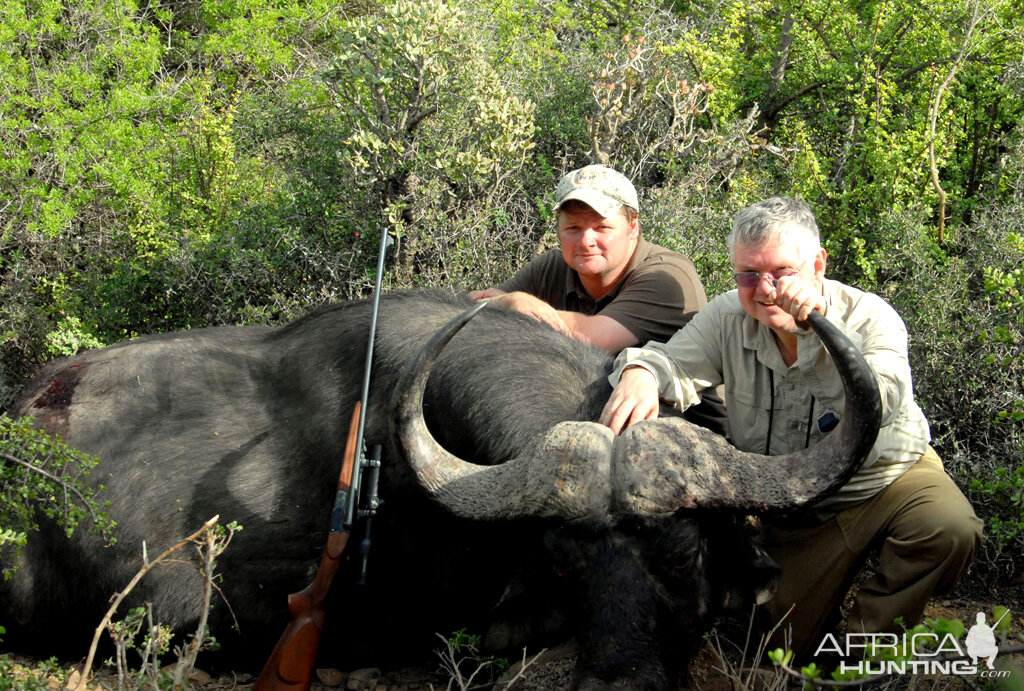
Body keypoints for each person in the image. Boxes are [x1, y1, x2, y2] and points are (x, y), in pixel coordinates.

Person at [598, 196, 982, 659]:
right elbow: (671, 360)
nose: (765, 289)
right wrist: (643, 373)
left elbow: (875, 404)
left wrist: (811, 332)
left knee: (947, 526)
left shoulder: (870, 316)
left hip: (883, 479)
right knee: (777, 649)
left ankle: (866, 654)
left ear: (817, 264)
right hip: (794, 505)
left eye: (782, 272)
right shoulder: (727, 317)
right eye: (748, 274)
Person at [470, 164, 708, 354]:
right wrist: (508, 303)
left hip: (683, 414)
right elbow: (467, 308)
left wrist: (515, 305)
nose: (586, 241)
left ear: (633, 226)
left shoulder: (666, 275)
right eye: (573, 228)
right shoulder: (551, 267)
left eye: (602, 227)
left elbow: (589, 338)